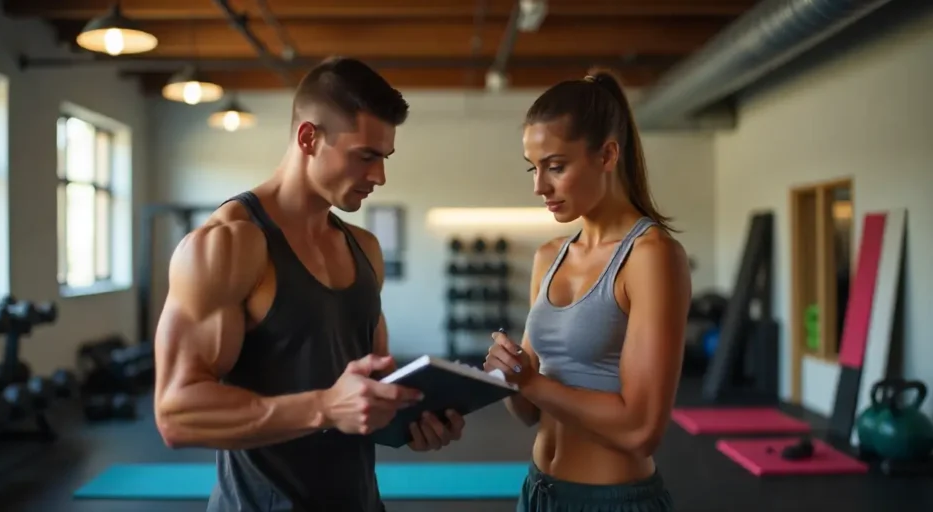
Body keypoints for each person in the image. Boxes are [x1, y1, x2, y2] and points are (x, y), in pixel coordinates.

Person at [152, 56, 466, 512]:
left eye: (384, 158)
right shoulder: (228, 245)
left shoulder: (364, 249)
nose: (379, 176)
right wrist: (324, 407)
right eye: (366, 156)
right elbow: (176, 414)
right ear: (309, 138)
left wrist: (410, 419)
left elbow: (361, 388)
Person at [483, 69, 691, 512]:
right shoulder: (549, 256)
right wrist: (506, 376)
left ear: (607, 155)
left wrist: (530, 382)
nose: (539, 186)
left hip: (612, 501)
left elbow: (642, 429)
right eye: (533, 168)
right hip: (538, 492)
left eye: (556, 167)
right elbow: (529, 411)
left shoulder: (651, 256)